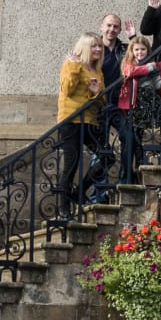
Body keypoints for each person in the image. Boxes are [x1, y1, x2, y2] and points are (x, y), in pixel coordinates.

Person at [110, 33, 161, 183]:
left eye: (143, 49)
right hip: (136, 104)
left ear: (147, 51)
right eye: (136, 50)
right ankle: (132, 172)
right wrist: (148, 68)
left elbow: (159, 85)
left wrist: (156, 73)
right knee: (136, 136)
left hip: (151, 101)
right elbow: (129, 72)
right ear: (132, 51)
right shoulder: (128, 63)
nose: (139, 52)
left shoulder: (152, 63)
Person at [55, 33, 105, 214]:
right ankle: (63, 207)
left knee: (107, 156)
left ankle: (78, 192)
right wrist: (76, 64)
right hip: (71, 120)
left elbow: (102, 101)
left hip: (90, 121)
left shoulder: (97, 70)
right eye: (94, 46)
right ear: (84, 47)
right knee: (72, 163)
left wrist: (96, 93)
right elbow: (67, 90)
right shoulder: (70, 64)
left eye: (99, 46)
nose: (98, 49)